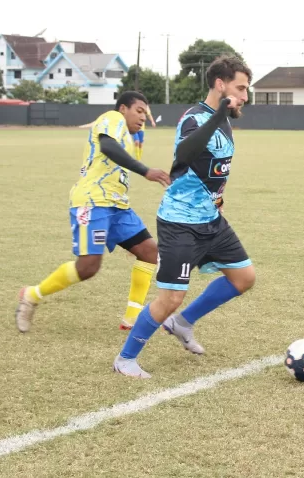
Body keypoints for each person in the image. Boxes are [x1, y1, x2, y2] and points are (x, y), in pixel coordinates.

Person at [113, 56, 256, 379]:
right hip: (180, 222)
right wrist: (221, 111)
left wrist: (217, 195)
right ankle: (125, 358)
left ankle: (182, 323)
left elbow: (211, 167)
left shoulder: (224, 119)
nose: (246, 96)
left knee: (244, 278)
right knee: (171, 297)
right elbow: (186, 154)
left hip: (211, 219)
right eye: (241, 88)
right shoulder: (195, 117)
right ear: (221, 85)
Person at [15, 91, 171, 333]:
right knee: (88, 267)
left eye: (145, 113)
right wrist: (145, 171)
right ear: (123, 109)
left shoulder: (132, 136)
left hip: (118, 206)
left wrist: (140, 137)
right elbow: (108, 146)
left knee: (150, 252)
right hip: (92, 201)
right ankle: (31, 295)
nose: (142, 117)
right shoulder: (112, 117)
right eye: (138, 110)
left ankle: (132, 319)